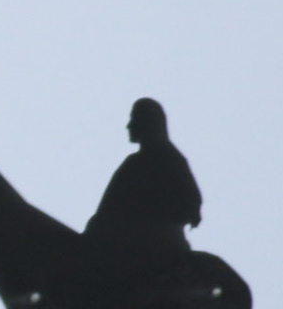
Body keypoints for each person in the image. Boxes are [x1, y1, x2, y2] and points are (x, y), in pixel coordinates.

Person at [84, 97, 201, 261]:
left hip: (148, 243)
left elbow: (107, 213)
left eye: (133, 119)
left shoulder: (145, 162)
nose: (128, 126)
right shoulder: (169, 159)